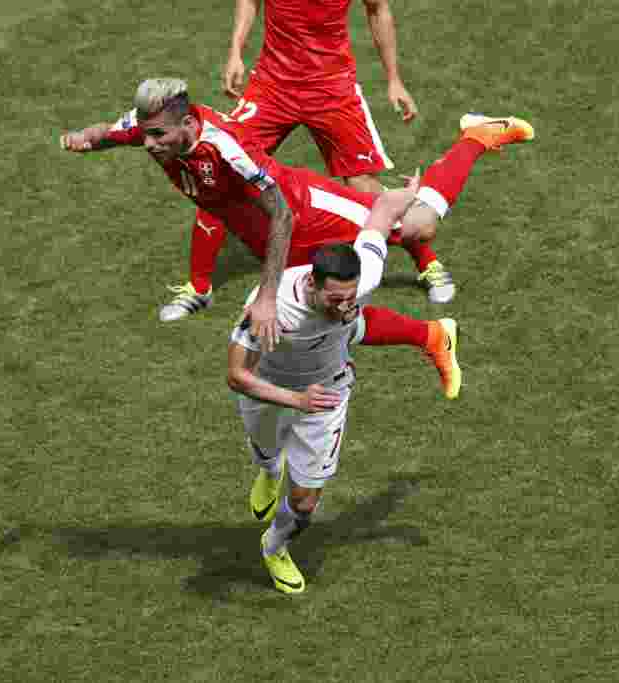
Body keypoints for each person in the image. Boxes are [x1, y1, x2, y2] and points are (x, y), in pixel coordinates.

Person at [60, 78, 533, 378]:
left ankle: (475, 137)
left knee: (418, 226)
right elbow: (112, 131)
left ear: (185, 124)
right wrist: (87, 138)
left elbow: (281, 213)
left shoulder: (225, 149)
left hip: (307, 212)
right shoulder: (154, 126)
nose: (148, 144)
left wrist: (266, 295)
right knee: (327, 318)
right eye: (143, 134)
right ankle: (432, 337)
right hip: (275, 241)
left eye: (158, 136)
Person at [155, 0, 446, 322]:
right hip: (272, 87)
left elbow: (378, 9)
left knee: (363, 183)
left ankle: (427, 262)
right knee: (217, 175)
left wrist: (394, 79)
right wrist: (236, 51)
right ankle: (198, 288)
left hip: (332, 89)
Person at [226, 175, 436, 594]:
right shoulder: (272, 311)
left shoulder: (362, 277)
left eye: (352, 298)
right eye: (336, 300)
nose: (346, 308)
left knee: (305, 503)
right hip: (270, 391)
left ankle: (274, 547)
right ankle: (269, 470)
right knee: (267, 453)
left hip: (326, 393)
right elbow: (237, 376)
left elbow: (380, 214)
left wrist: (412, 193)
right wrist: (294, 399)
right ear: (310, 284)